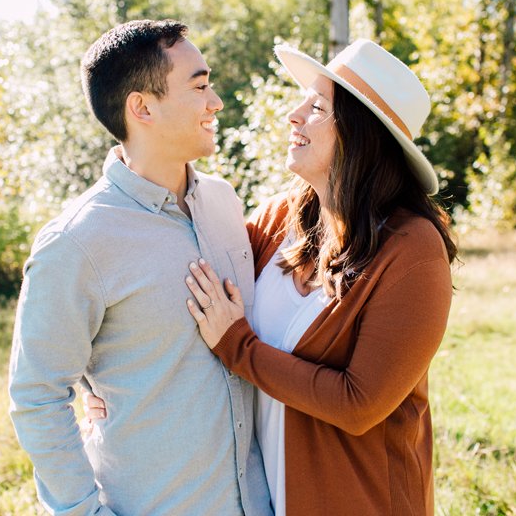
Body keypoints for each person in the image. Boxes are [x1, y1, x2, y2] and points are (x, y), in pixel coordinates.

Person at [182, 39, 457, 515]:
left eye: (317, 106)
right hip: (267, 498)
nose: (294, 114)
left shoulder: (413, 250)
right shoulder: (277, 218)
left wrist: (238, 347)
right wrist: (100, 379)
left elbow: (359, 404)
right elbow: (185, 281)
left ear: (360, 132)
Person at [8, 19, 271, 516]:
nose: (216, 101)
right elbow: (37, 396)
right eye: (199, 86)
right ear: (142, 107)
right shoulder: (76, 242)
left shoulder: (224, 203)